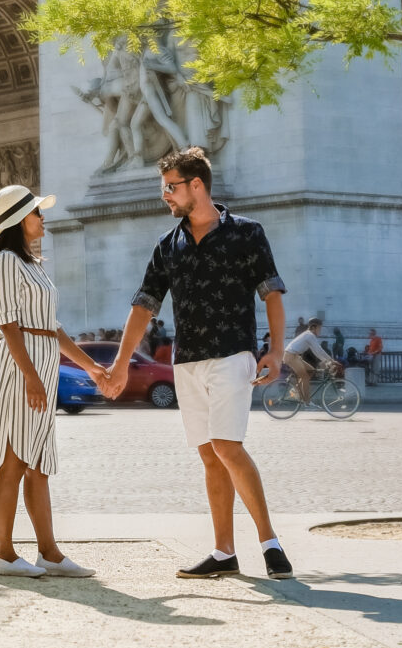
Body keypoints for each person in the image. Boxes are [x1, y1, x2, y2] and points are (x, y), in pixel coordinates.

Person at [102, 147, 293, 580]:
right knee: (209, 455)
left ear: (196, 185)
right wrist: (119, 363)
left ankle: (270, 544)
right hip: (187, 362)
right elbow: (143, 307)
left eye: (170, 188)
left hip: (233, 354)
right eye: (163, 189)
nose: (165, 197)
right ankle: (223, 552)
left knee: (227, 446)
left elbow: (272, 293)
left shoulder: (247, 233)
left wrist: (276, 351)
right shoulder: (167, 245)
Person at [0, 185, 103, 578]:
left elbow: (53, 329)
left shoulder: (33, 264)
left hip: (42, 363)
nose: (43, 219)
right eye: (37, 213)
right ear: (19, 220)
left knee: (38, 463)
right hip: (21, 367)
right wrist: (30, 377)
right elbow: (8, 324)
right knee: (14, 459)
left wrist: (92, 367)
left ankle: (50, 553)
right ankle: (4, 553)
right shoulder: (7, 261)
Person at [283, 318, 336, 404]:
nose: (320, 331)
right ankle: (307, 402)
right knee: (305, 377)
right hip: (290, 356)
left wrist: (329, 360)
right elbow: (318, 351)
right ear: (314, 327)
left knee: (311, 371)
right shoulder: (309, 335)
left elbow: (317, 351)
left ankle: (296, 390)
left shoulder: (309, 335)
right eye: (319, 328)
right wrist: (329, 360)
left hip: (294, 356)